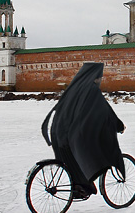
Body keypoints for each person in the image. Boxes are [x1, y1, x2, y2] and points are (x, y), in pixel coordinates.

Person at [41, 62, 126, 199]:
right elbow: (105, 111)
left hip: (58, 134)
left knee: (73, 162)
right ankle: (83, 186)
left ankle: (79, 188)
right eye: (98, 77)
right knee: (90, 154)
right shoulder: (91, 91)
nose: (99, 80)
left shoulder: (73, 89)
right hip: (71, 136)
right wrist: (118, 126)